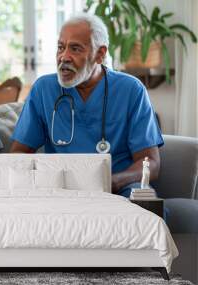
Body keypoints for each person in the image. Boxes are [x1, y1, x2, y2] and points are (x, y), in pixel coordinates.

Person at [10, 13, 163, 197]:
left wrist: (113, 181)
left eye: (75, 49)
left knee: (144, 204)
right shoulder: (44, 89)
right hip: (60, 189)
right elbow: (19, 153)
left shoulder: (131, 89)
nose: (64, 57)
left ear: (100, 54)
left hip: (117, 188)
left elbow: (151, 163)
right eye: (61, 47)